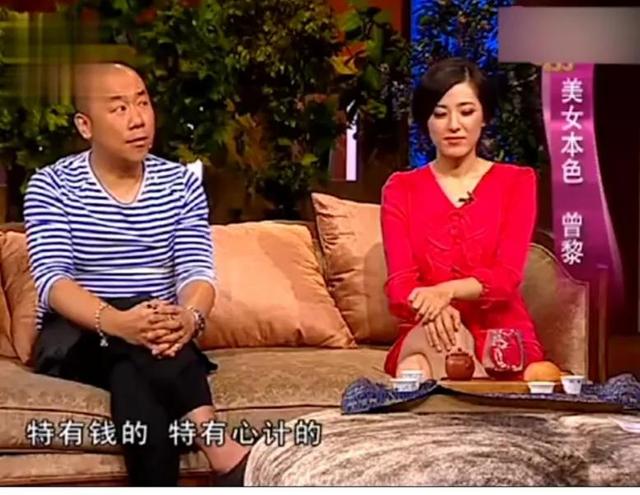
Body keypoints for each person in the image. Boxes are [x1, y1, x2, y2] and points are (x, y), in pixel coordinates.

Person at [23, 62, 250, 486]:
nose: (138, 119)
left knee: (131, 375)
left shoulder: (180, 183)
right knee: (137, 332)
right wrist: (117, 321)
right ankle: (222, 450)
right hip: (75, 334)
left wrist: (189, 318)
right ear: (86, 125)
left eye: (143, 103)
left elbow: (197, 271)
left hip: (156, 332)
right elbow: (53, 280)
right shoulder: (51, 185)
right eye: (119, 108)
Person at [380, 57, 545, 381]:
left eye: (466, 111)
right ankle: (473, 407)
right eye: (440, 114)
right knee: (438, 348)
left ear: (485, 117)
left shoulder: (517, 182)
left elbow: (506, 277)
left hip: (500, 335)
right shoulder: (401, 189)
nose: (453, 125)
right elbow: (400, 285)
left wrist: (445, 292)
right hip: (431, 326)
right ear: (426, 121)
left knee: (416, 369)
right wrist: (437, 307)